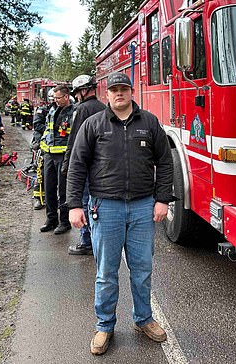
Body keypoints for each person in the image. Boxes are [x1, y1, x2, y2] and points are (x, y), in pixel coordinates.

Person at [67, 72, 175, 355]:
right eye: (114, 90)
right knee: (106, 273)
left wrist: (163, 199)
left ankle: (143, 319)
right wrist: (74, 205)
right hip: (106, 207)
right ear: (107, 94)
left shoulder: (149, 123)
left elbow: (165, 162)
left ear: (131, 91)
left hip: (142, 206)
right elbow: (77, 165)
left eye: (124, 89)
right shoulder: (94, 125)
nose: (119, 94)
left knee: (142, 269)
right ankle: (104, 326)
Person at [61, 74, 105, 255]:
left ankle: (86, 241)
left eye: (78, 92)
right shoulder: (104, 108)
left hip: (85, 163)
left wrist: (67, 163)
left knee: (85, 201)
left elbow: (75, 140)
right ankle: (97, 239)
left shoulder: (81, 110)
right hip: (101, 164)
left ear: (84, 91)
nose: (77, 96)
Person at [39, 85, 73, 233]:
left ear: (66, 97)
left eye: (58, 98)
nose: (55, 100)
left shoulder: (73, 112)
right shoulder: (52, 109)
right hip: (48, 155)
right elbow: (47, 129)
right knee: (49, 188)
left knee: (63, 190)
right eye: (54, 98)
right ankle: (51, 218)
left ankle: (64, 221)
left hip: (63, 155)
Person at [31, 91, 53, 210]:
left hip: (56, 148)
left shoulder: (63, 111)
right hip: (41, 145)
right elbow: (37, 125)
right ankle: (38, 198)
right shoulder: (42, 110)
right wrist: (52, 130)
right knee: (40, 172)